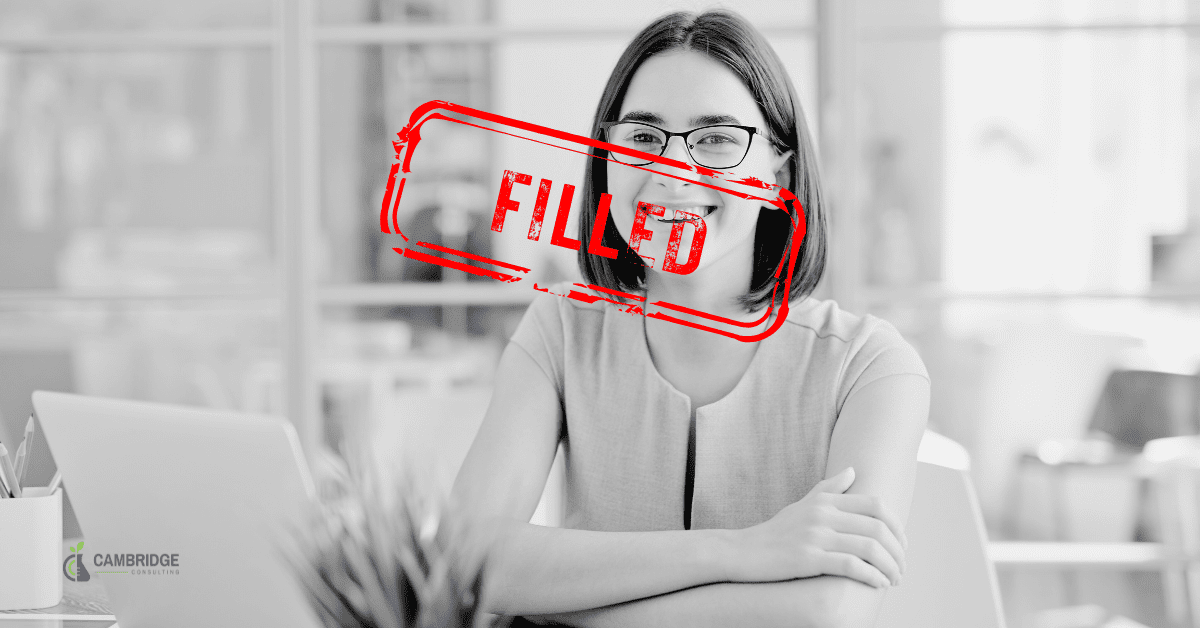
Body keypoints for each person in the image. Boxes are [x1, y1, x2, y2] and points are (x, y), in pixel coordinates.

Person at [451, 9, 930, 627]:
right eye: (644, 138)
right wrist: (746, 550)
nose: (673, 172)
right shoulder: (560, 331)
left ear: (776, 173)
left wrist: (565, 605)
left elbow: (826, 613)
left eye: (718, 139)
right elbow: (466, 560)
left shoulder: (871, 368)